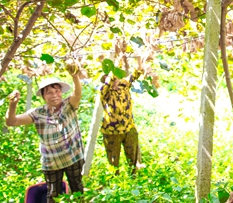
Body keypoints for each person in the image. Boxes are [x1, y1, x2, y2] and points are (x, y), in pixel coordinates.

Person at [5, 70, 84, 203]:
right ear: (43, 96)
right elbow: (11, 121)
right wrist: (13, 104)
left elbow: (77, 94)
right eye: (49, 92)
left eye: (57, 91)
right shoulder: (38, 113)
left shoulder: (68, 105)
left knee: (77, 190)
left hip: (73, 156)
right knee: (53, 194)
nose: (54, 95)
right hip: (51, 162)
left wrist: (75, 76)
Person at [99, 57, 146, 175]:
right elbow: (108, 81)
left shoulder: (124, 86)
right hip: (111, 132)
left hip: (129, 128)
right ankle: (116, 182)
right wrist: (113, 66)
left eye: (116, 79)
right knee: (113, 162)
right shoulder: (105, 92)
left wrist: (138, 59)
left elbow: (136, 73)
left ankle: (134, 177)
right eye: (112, 79)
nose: (115, 81)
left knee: (133, 158)